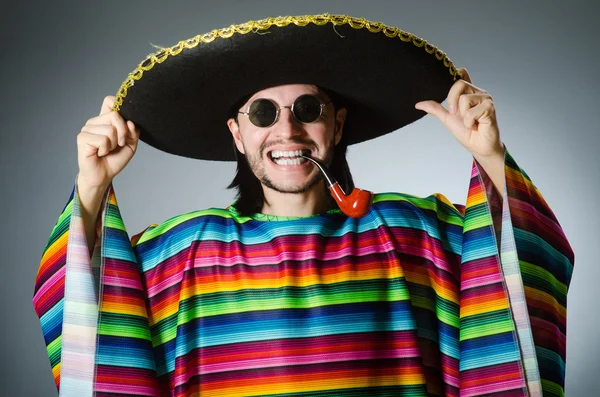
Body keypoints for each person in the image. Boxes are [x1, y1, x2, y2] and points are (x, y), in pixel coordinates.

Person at [32, 14, 574, 397]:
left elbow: (516, 268)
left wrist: (493, 158)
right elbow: (89, 299)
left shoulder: (418, 233)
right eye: (263, 113)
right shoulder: (180, 250)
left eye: (307, 109)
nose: (287, 129)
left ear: (337, 124)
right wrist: (92, 188)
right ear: (238, 135)